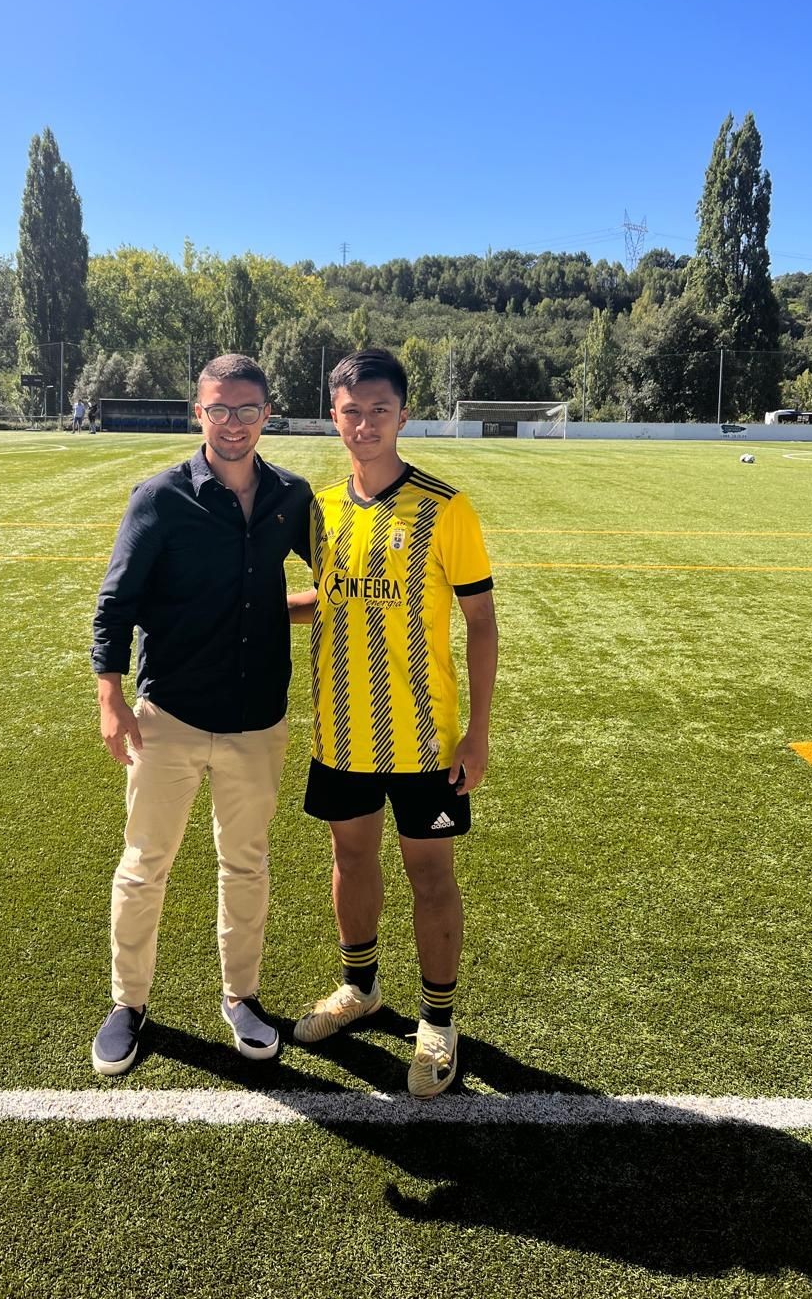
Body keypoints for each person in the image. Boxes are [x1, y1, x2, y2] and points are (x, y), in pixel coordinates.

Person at [90, 354, 314, 1076]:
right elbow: (115, 606)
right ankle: (128, 1005)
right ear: (199, 412)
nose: (234, 423)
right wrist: (111, 699)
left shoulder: (291, 496)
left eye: (247, 409)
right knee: (144, 865)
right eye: (220, 409)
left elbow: (340, 575)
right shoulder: (159, 497)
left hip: (257, 722)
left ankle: (241, 998)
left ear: (267, 414)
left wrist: (314, 607)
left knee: (245, 864)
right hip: (171, 718)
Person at [294, 348, 498, 1098]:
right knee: (350, 861)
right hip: (340, 732)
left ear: (404, 414)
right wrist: (255, 608)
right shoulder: (320, 509)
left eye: (380, 409)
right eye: (351, 411)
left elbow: (480, 621)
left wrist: (477, 732)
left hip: (426, 740)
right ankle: (360, 988)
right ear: (334, 418)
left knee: (431, 874)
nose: (365, 424)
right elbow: (335, 596)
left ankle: (438, 1025)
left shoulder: (446, 507)